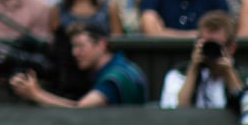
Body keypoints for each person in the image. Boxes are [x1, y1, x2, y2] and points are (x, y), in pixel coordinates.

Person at [8, 17, 149, 108]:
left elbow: (80, 110)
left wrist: (35, 94)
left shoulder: (114, 77)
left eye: (81, 46)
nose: (75, 53)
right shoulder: (122, 65)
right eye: (73, 47)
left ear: (101, 44)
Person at [163, 10, 248, 110]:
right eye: (207, 44)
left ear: (231, 47)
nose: (212, 51)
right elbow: (174, 112)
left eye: (216, 45)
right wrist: (193, 69)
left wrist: (229, 73)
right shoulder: (178, 75)